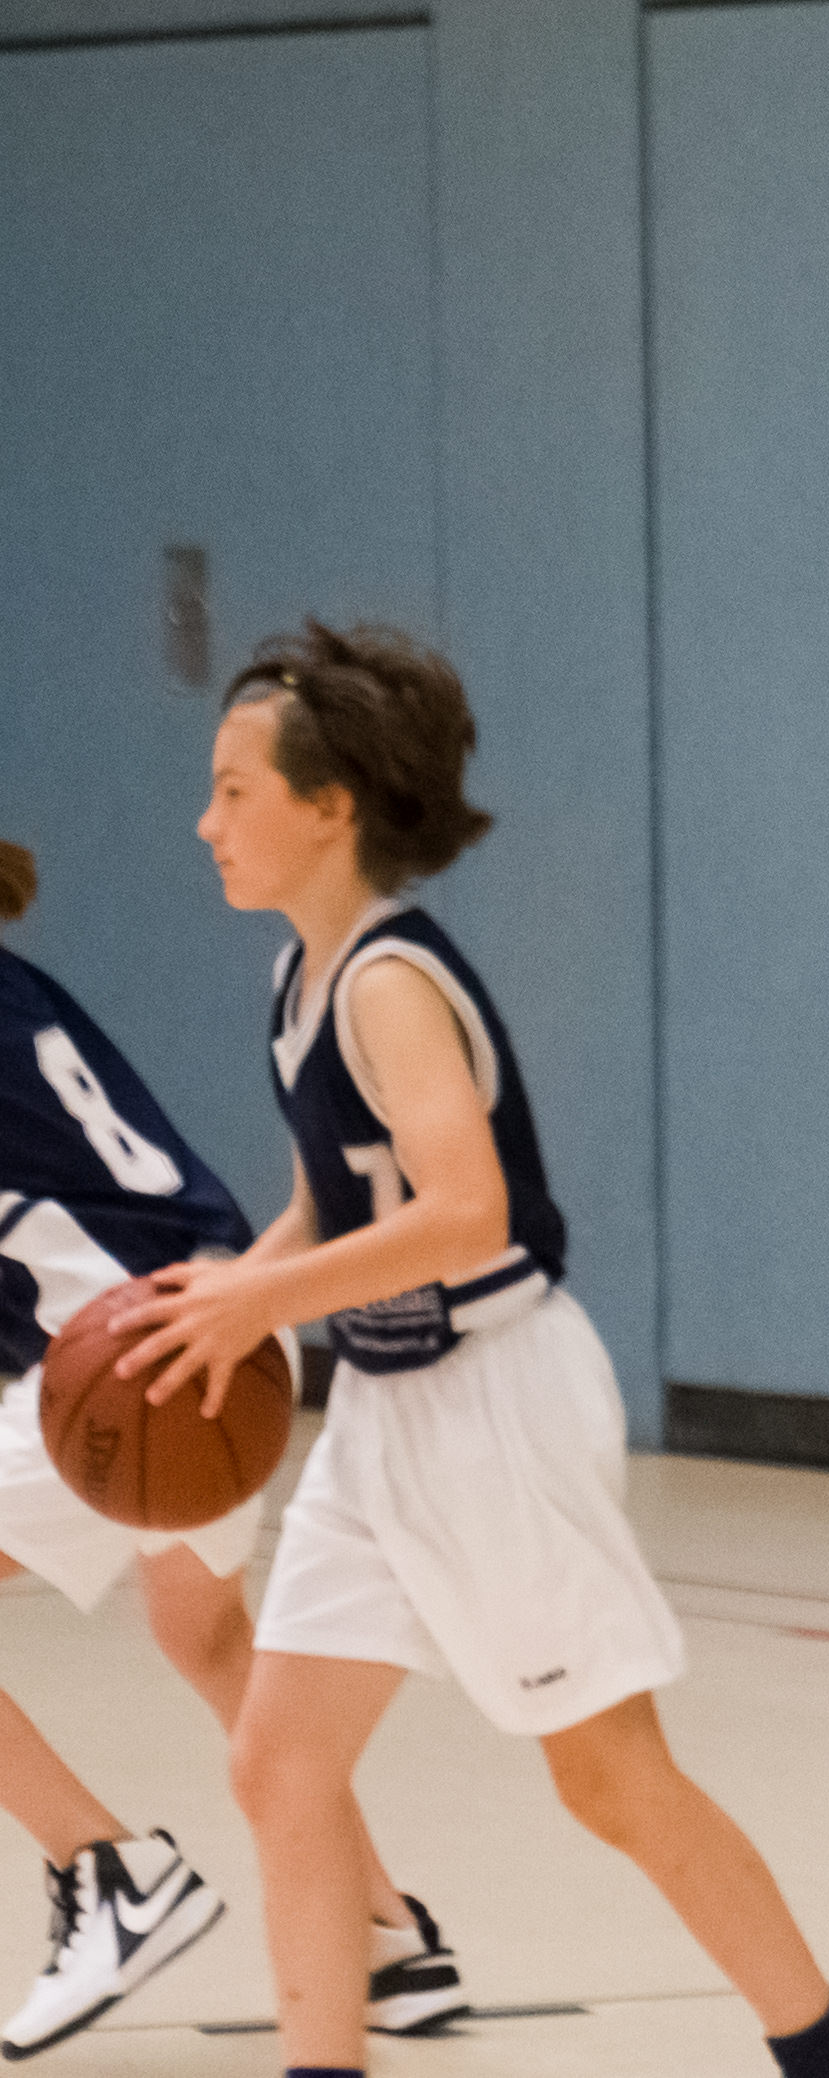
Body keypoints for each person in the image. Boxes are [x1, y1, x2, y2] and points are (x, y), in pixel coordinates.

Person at [120, 623, 829, 2078]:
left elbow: (465, 1210)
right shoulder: (302, 981)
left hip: (495, 1399)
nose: (206, 821)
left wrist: (262, 1308)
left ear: (330, 807)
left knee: (609, 1779)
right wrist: (236, 1285)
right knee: (280, 1762)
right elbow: (333, 1200)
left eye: (235, 791)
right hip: (384, 1410)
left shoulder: (388, 984)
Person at [0, 838, 463, 2058]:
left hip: (136, 1361)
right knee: (203, 1633)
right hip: (226, 1329)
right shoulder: (18, 986)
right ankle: (384, 1934)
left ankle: (105, 1870)